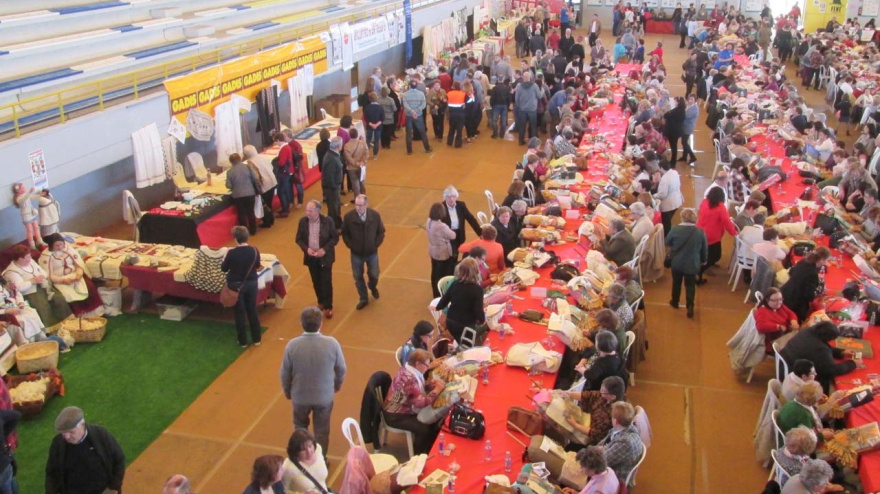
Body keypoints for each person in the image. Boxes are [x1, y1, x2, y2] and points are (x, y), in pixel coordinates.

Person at [280, 306, 347, 455]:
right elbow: (341, 369)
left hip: (300, 396)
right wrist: (337, 385)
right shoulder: (332, 344)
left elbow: (285, 373)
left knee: (300, 428)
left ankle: (303, 457)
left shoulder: (292, 345)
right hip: (324, 397)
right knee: (322, 431)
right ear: (320, 323)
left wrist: (287, 391)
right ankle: (320, 460)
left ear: (301, 323)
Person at [46, 406, 125, 494]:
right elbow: (51, 473)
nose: (67, 437)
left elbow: (119, 459)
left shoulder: (101, 435)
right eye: (63, 433)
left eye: (71, 432)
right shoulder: (58, 444)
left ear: (83, 425)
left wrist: (113, 488)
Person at [383, 349, 444, 454]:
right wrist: (437, 390)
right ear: (417, 363)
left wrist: (430, 385)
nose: (428, 367)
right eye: (426, 365)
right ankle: (419, 455)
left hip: (398, 407)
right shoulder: (409, 379)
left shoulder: (407, 368)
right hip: (396, 416)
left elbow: (415, 389)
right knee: (424, 428)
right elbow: (421, 403)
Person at [3, 244, 70, 327]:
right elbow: (18, 288)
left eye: (29, 256)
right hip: (30, 294)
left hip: (43, 286)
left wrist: (42, 276)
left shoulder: (31, 261)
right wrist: (32, 281)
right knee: (43, 307)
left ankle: (68, 323)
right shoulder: (11, 272)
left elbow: (42, 271)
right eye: (26, 258)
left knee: (58, 298)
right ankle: (52, 329)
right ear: (19, 259)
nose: (29, 259)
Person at [780, 321, 856, 393]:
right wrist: (852, 364)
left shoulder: (808, 331)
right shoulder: (819, 348)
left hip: (786, 362)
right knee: (825, 377)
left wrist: (841, 352)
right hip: (793, 374)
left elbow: (825, 346)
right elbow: (832, 370)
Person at [41, 233, 104, 317]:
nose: (59, 247)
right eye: (57, 245)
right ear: (51, 246)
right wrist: (63, 280)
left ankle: (94, 314)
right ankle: (79, 316)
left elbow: (79, 264)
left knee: (90, 287)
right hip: (59, 280)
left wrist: (79, 274)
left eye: (61, 244)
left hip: (75, 275)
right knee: (68, 295)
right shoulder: (46, 256)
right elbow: (49, 275)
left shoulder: (69, 250)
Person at [295, 200, 340, 318]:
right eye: (307, 210)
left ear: (317, 211)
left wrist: (324, 250)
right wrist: (306, 249)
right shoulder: (303, 222)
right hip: (311, 258)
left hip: (325, 258)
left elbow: (335, 238)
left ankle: (328, 306)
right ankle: (321, 301)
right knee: (316, 281)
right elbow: (298, 239)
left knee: (326, 281)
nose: (307, 213)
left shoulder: (327, 221)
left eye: (310, 210)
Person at [342, 195, 385, 310]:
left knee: (374, 274)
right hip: (356, 254)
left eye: (360, 205)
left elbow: (381, 231)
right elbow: (344, 233)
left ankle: (372, 285)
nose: (357, 207)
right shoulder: (349, 217)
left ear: (366, 204)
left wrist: (375, 244)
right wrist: (351, 245)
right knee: (357, 276)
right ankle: (363, 298)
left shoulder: (375, 216)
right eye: (356, 204)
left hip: (372, 253)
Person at [221, 226, 262, 348]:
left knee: (239, 313)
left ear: (235, 239)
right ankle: (257, 339)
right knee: (252, 310)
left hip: (236, 286)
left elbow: (224, 268)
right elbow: (257, 265)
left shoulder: (231, 253)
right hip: (252, 284)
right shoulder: (254, 250)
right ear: (247, 237)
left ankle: (242, 341)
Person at [562, 376, 627, 448]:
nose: (600, 391)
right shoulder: (607, 396)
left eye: (603, 391)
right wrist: (569, 394)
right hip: (590, 422)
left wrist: (575, 425)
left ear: (612, 397)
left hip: (595, 443)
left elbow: (594, 434)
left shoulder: (612, 414)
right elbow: (590, 395)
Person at [666, 208, 708, 318]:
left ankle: (675, 301)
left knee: (676, 283)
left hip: (677, 262)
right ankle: (690, 306)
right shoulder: (700, 232)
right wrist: (704, 260)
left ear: (682, 217)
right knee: (690, 285)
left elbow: (667, 242)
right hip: (692, 263)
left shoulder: (675, 229)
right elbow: (704, 249)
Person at [435, 258, 485, 343]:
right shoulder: (477, 290)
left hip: (451, 323)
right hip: (466, 327)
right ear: (476, 272)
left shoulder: (455, 284)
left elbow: (442, 303)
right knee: (486, 326)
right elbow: (478, 312)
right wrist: (482, 320)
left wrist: (437, 308)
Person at [696, 187, 738, 284]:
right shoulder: (720, 207)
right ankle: (701, 269)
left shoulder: (704, 202)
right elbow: (727, 223)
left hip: (700, 232)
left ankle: (703, 267)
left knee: (705, 253)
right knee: (716, 255)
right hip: (712, 236)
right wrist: (734, 233)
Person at [596, 401, 644, 485]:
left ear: (615, 421)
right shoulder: (624, 427)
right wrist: (601, 449)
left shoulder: (625, 442)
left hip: (616, 477)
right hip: (613, 462)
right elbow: (601, 443)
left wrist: (601, 449)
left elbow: (602, 461)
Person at [780, 247, 831, 322]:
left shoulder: (804, 261)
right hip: (794, 304)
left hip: (784, 293)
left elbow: (791, 272)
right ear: (822, 259)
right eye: (826, 260)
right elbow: (809, 296)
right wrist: (817, 292)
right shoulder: (812, 273)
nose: (826, 262)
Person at [755, 287, 799, 355]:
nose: (779, 302)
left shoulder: (779, 306)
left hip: (785, 336)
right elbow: (760, 326)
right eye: (775, 300)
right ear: (767, 300)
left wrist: (793, 321)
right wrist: (777, 326)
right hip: (774, 343)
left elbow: (790, 313)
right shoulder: (762, 311)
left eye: (780, 299)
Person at [427, 202, 458, 297]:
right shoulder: (441, 226)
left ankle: (435, 294)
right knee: (444, 274)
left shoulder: (429, 221)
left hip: (433, 250)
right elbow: (453, 235)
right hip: (442, 253)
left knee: (434, 272)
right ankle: (442, 294)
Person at [226, 153, 261, 236]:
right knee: (250, 212)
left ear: (231, 162)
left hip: (238, 195)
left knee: (241, 214)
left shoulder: (229, 172)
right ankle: (253, 230)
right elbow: (255, 178)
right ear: (240, 159)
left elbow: (229, 185)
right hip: (250, 193)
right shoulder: (247, 167)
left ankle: (244, 232)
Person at [244, 145, 278, 228]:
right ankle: (271, 219)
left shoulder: (250, 163)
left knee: (264, 204)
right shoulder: (263, 156)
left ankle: (267, 222)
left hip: (264, 185)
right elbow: (271, 166)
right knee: (269, 202)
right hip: (272, 181)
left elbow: (255, 177)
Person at [440, 186, 481, 254]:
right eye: (449, 197)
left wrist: (480, 232)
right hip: (447, 237)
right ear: (445, 198)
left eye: (453, 196)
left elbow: (471, 219)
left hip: (459, 235)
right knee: (451, 255)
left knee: (455, 254)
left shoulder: (461, 205)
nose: (451, 199)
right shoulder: (441, 207)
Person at [402, 81, 433, 155]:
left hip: (409, 116)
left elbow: (405, 105)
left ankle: (409, 150)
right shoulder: (421, 94)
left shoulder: (405, 94)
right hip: (418, 115)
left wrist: (412, 112)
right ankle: (427, 148)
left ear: (409, 86)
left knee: (408, 133)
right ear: (416, 86)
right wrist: (416, 111)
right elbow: (423, 105)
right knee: (422, 132)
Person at [655, 160, 684, 234]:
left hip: (668, 204)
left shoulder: (665, 179)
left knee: (666, 222)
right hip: (677, 199)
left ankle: (667, 236)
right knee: (669, 218)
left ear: (661, 168)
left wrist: (653, 196)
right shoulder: (674, 172)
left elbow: (662, 194)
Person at [322, 137, 345, 230]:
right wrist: (335, 186)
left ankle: (335, 224)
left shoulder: (333, 154)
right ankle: (335, 227)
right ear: (339, 146)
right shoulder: (331, 158)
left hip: (334, 187)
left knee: (335, 207)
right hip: (332, 188)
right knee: (333, 209)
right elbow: (329, 176)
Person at [514, 71, 542, 145]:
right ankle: (534, 142)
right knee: (533, 125)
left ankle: (521, 141)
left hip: (522, 109)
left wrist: (519, 105)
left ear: (523, 78)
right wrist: (542, 90)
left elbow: (516, 98)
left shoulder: (520, 86)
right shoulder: (535, 85)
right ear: (530, 77)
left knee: (522, 125)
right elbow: (539, 96)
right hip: (532, 109)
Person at [363, 92, 384, 158]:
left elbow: (366, 118)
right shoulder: (380, 107)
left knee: (368, 140)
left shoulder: (367, 108)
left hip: (369, 126)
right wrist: (376, 125)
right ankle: (375, 155)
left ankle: (367, 154)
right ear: (376, 98)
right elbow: (382, 118)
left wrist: (371, 124)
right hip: (378, 126)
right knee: (377, 140)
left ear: (369, 99)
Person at [446, 81, 467, 148]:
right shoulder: (463, 94)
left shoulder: (449, 93)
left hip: (452, 114)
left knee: (451, 128)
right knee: (459, 129)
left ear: (453, 87)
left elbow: (446, 102)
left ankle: (449, 142)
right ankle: (458, 144)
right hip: (460, 114)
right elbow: (465, 104)